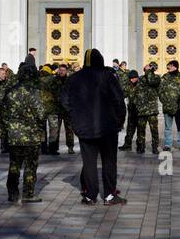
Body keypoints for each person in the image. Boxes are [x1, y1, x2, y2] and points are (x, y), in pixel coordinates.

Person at [62, 49, 126, 205]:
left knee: (89, 163)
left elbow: (64, 102)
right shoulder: (108, 76)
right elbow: (119, 100)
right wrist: (119, 121)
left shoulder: (74, 78)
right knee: (109, 161)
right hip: (108, 127)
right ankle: (110, 195)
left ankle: (91, 195)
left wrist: (75, 119)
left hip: (85, 128)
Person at [3, 55, 45, 203]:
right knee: (30, 166)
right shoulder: (34, 92)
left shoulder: (10, 91)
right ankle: (28, 193)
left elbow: (4, 115)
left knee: (14, 165)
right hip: (31, 135)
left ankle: (12, 193)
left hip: (14, 135)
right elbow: (41, 114)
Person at [127, 69, 160, 154]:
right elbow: (133, 96)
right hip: (141, 111)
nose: (132, 80)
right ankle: (141, 147)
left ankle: (155, 147)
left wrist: (149, 71)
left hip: (152, 111)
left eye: (134, 78)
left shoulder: (152, 79)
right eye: (130, 78)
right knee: (141, 130)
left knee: (154, 131)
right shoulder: (137, 83)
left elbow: (153, 81)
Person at [158, 59, 180, 151]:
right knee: (167, 127)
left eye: (169, 66)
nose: (167, 67)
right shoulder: (165, 77)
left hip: (179, 107)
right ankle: (168, 144)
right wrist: (164, 101)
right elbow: (160, 90)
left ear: (175, 66)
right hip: (167, 107)